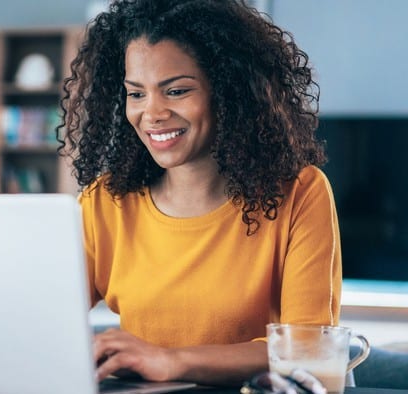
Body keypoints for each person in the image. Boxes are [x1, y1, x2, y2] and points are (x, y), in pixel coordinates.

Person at [57, 0, 342, 387]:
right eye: (136, 94)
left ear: (228, 92)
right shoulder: (105, 202)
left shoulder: (300, 192)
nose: (152, 113)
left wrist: (171, 361)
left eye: (175, 91)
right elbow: (45, 318)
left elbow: (308, 350)